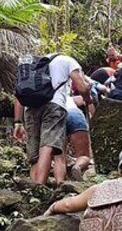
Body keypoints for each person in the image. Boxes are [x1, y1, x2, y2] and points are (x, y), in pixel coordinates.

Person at [12, 53, 92, 186]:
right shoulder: (67, 60)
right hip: (54, 106)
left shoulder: (30, 67)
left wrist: (17, 122)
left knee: (35, 151)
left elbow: (18, 94)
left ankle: (33, 188)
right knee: (50, 146)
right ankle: (40, 186)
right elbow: (82, 87)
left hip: (30, 108)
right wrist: (88, 98)